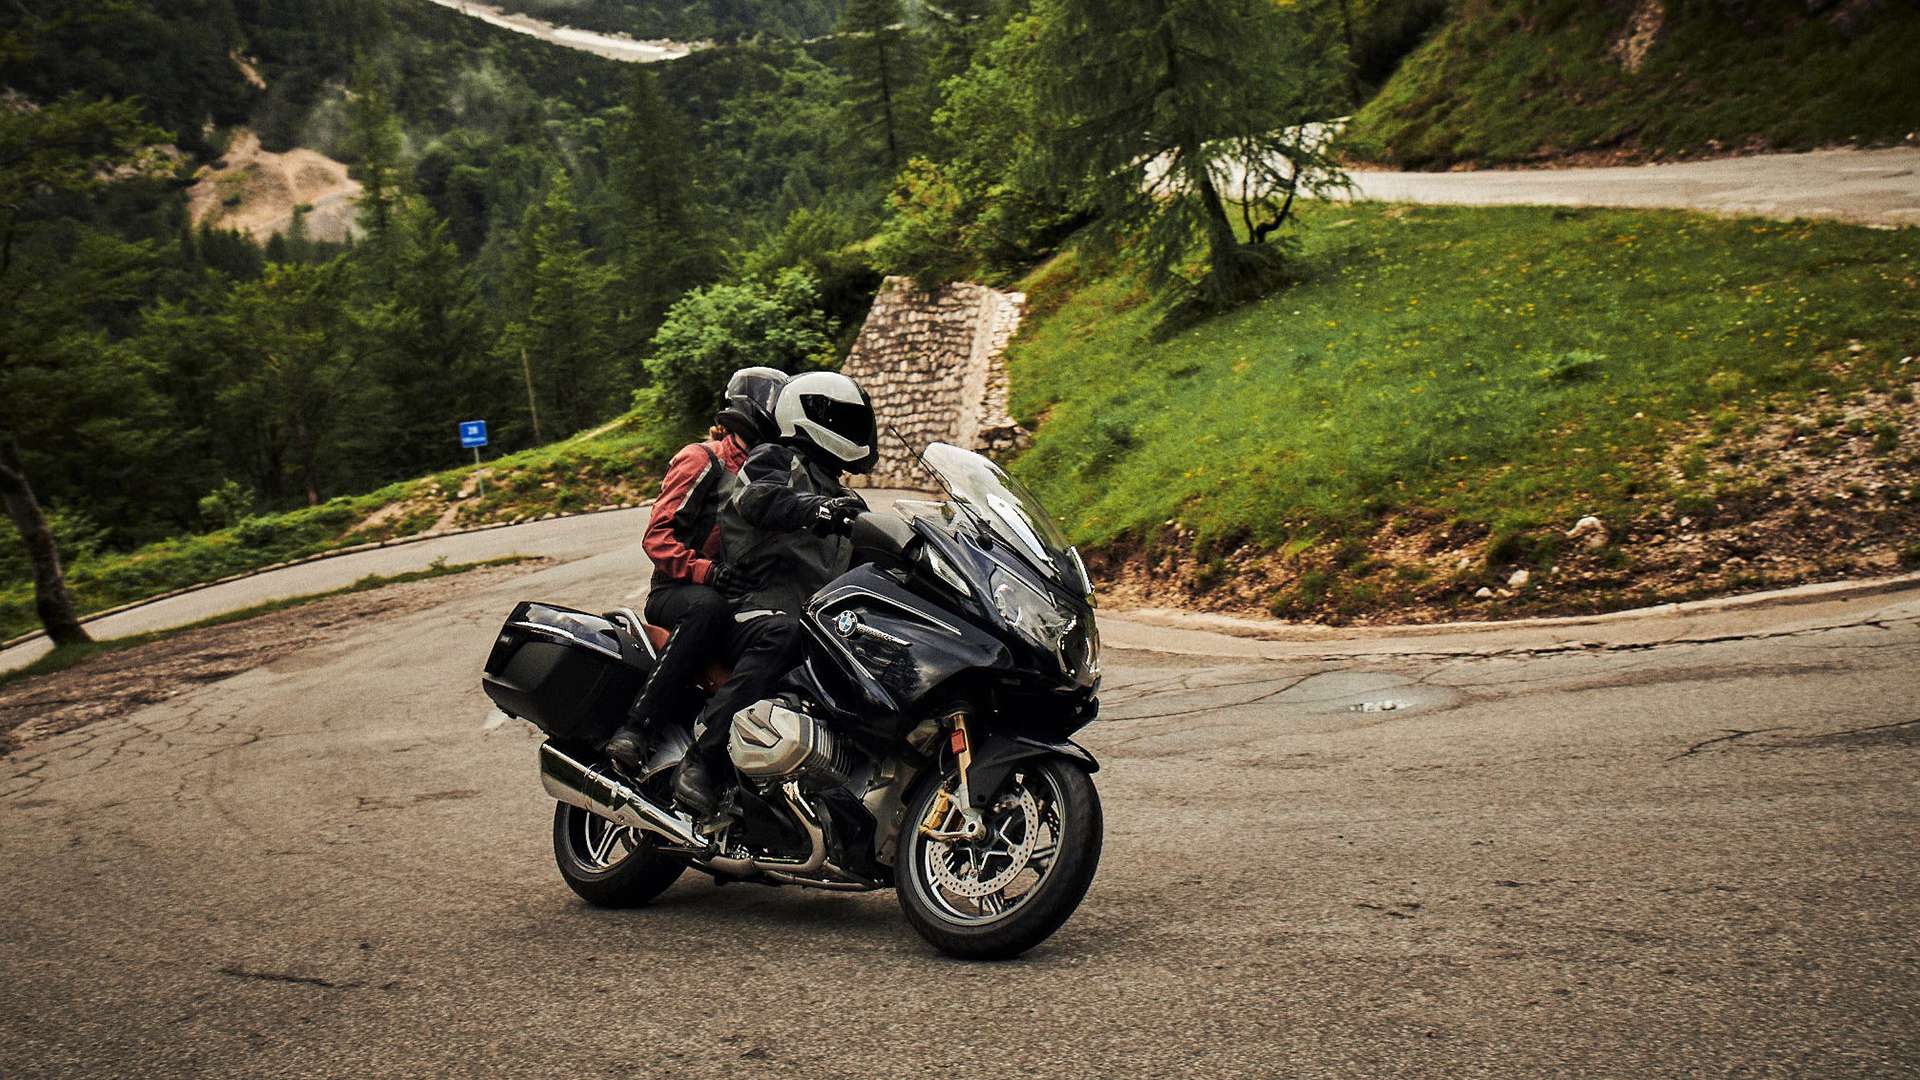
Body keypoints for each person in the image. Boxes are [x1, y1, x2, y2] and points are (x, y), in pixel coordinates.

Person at [669, 371, 878, 814]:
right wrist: (816, 508)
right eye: (844, 419)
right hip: (752, 609)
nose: (856, 430)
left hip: (814, 623)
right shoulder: (773, 459)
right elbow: (757, 499)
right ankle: (700, 759)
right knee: (782, 635)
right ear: (811, 414)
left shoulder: (848, 502)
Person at [604, 367, 788, 773]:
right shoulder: (703, 458)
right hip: (678, 591)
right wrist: (706, 571)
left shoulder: (766, 474)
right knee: (707, 610)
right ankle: (637, 728)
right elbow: (657, 536)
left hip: (731, 594)